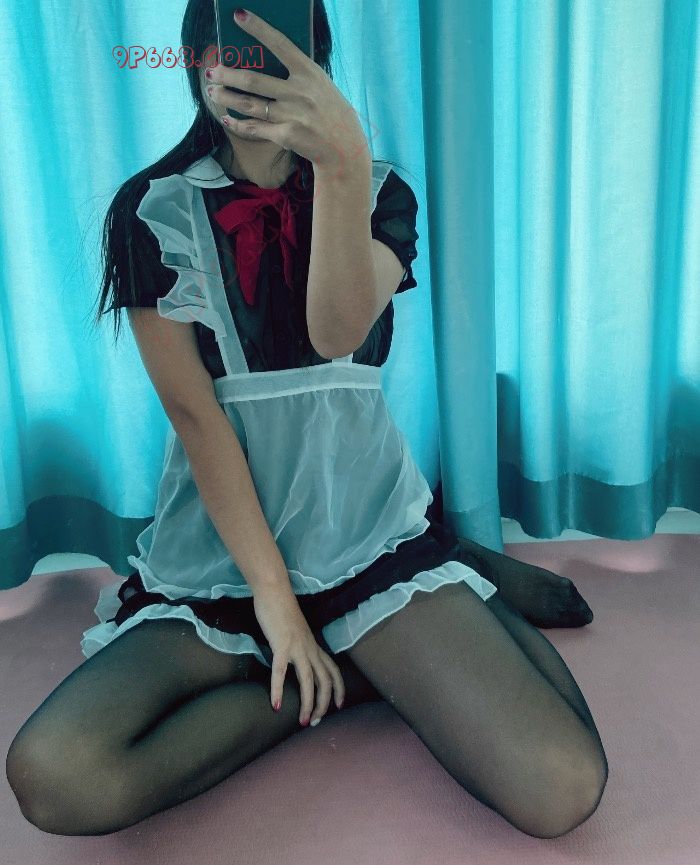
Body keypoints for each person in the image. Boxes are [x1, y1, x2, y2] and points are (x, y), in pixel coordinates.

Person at [5, 1, 607, 840]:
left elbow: (335, 331)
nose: (249, 69)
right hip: (228, 557)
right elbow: (197, 419)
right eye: (227, 48)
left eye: (280, 48)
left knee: (561, 786)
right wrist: (279, 604)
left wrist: (343, 160)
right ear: (196, 60)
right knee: (56, 774)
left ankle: (443, 577)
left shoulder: (380, 191)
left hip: (364, 536)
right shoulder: (153, 210)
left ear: (317, 61)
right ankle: (353, 674)